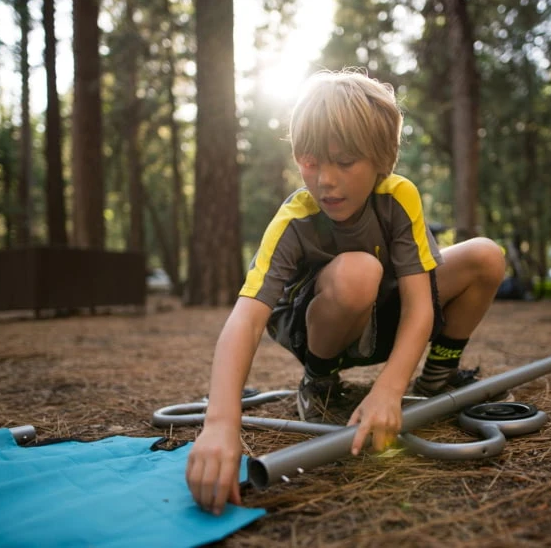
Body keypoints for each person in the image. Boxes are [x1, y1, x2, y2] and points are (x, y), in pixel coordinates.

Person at [186, 69, 506, 515]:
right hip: (320, 326)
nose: (325, 181)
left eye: (345, 161)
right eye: (311, 160)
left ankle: (437, 377)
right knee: (359, 271)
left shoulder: (398, 197)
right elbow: (246, 317)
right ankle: (319, 384)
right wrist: (219, 423)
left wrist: (391, 389)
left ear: (381, 159)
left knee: (486, 255)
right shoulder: (294, 219)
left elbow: (418, 304)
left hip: (385, 316)